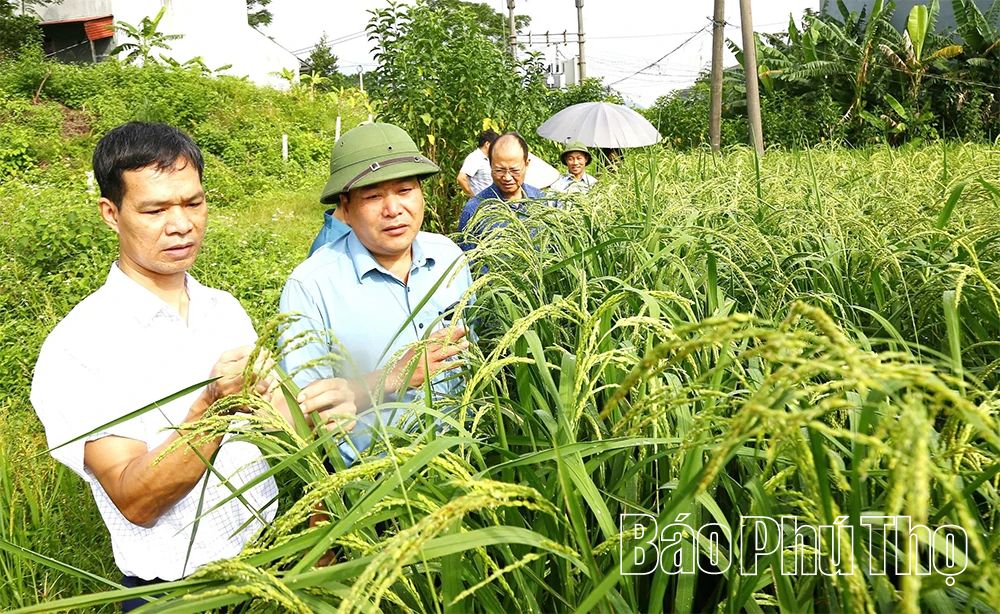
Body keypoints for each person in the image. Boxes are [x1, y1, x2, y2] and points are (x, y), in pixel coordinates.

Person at [30, 122, 356, 611]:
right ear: (111, 213)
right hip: (174, 596)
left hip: (267, 567)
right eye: (155, 209)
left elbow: (272, 421)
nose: (181, 224)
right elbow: (135, 499)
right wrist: (211, 405)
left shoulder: (223, 310)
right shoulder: (79, 346)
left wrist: (319, 415)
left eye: (193, 203)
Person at [279, 122, 472, 467]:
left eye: (405, 190)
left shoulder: (449, 258)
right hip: (372, 479)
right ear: (346, 206)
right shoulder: (311, 286)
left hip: (465, 460)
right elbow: (302, 412)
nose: (393, 209)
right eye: (373, 196)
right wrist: (393, 377)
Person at [456, 132, 547, 251]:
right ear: (490, 165)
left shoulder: (540, 201)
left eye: (514, 170)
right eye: (499, 170)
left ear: (526, 164)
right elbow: (467, 258)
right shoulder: (474, 210)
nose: (507, 178)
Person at [456, 129, 498, 197]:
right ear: (487, 144)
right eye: (496, 145)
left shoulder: (488, 159)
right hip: (481, 201)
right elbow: (461, 178)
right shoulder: (475, 157)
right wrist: (474, 197)